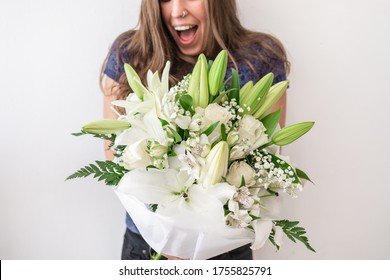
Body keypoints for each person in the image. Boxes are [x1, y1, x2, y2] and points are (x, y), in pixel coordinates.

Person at [101, 0, 290, 260]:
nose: (178, 11)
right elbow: (116, 153)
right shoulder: (132, 53)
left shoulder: (259, 59)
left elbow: (269, 157)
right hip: (146, 246)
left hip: (225, 253)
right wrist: (168, 238)